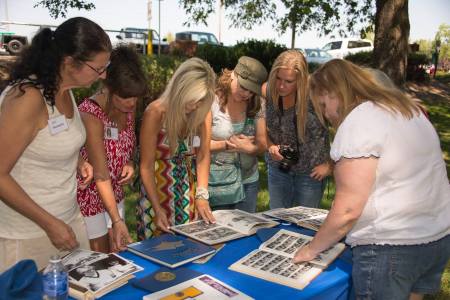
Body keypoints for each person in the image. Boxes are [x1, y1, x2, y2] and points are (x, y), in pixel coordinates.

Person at [293, 59, 450, 300]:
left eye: (323, 104)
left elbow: (348, 210)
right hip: (436, 238)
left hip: (391, 248)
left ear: (334, 92)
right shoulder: (408, 109)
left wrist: (311, 249)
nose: (325, 114)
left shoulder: (360, 120)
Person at [0, 17, 111, 272]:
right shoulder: (27, 97)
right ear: (69, 62)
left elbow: (42, 142)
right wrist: (49, 223)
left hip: (68, 222)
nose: (104, 75)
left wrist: (77, 160)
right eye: (98, 68)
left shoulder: (64, 89)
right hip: (27, 235)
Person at [77, 46, 147, 253]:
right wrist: (116, 220)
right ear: (109, 87)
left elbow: (129, 143)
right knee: (99, 258)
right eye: (126, 98)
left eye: (136, 98)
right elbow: (100, 174)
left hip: (114, 195)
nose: (132, 103)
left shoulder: (129, 104)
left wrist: (129, 162)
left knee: (119, 256)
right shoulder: (91, 114)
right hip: (89, 197)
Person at [136, 57, 216, 239]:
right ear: (180, 89)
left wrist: (202, 195)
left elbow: (203, 155)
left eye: (201, 101)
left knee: (192, 249)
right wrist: (157, 209)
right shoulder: (155, 113)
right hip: (156, 194)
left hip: (189, 192)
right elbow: (146, 167)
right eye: (193, 99)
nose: (196, 105)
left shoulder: (203, 111)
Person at [263, 50, 332, 209]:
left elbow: (346, 128)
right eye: (278, 78)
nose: (281, 85)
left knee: (303, 225)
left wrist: (330, 165)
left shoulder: (316, 96)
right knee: (277, 219)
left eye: (288, 81)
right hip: (279, 169)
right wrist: (270, 146)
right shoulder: (267, 92)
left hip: (311, 174)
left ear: (301, 80)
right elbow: (261, 132)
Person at [209, 56, 268, 212]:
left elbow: (263, 144)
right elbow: (196, 145)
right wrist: (227, 145)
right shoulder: (211, 101)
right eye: (243, 87)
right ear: (233, 75)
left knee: (245, 232)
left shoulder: (258, 103)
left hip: (248, 182)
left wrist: (250, 149)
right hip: (216, 184)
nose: (247, 94)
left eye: (252, 90)